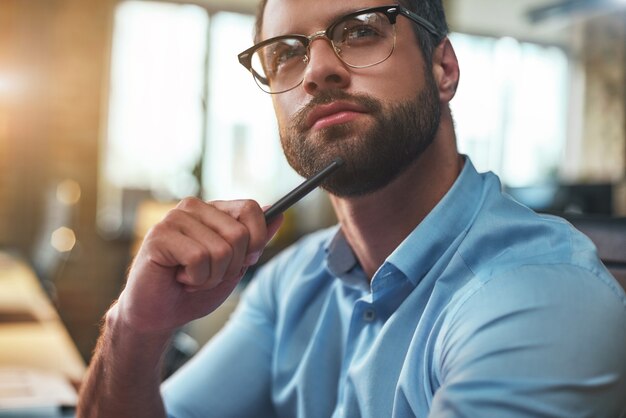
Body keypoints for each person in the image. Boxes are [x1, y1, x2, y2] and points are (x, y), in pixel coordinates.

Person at [76, 0, 626, 416]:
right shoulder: (292, 282)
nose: (316, 71)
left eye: (360, 31)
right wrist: (134, 325)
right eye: (287, 52)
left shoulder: (542, 297)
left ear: (444, 69)